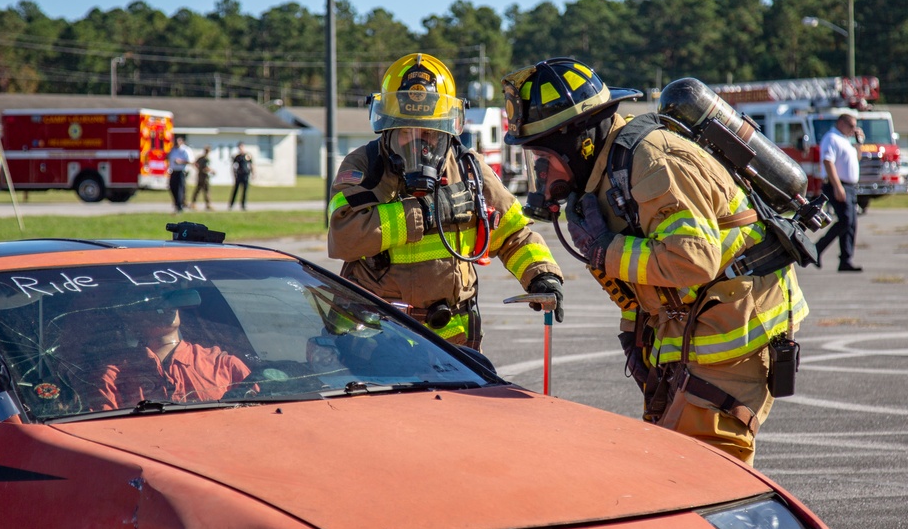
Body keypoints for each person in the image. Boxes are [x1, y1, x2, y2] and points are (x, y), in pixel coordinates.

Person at [502, 57, 809, 465]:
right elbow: (646, 272)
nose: (539, 173)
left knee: (709, 472)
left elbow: (693, 259)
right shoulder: (608, 177)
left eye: (543, 158)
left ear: (577, 142)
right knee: (670, 462)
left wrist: (605, 250)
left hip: (735, 335)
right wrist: (636, 331)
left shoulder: (650, 160)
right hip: (692, 332)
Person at [327, 53, 564, 350]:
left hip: (451, 336)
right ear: (387, 127)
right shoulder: (366, 165)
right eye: (406, 131)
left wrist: (541, 275)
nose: (419, 142)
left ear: (447, 130)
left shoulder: (469, 169)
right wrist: (426, 213)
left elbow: (514, 233)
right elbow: (343, 236)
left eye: (429, 132)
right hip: (375, 334)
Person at [93, 297, 251, 410]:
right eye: (152, 296)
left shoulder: (224, 365)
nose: (166, 302)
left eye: (170, 294)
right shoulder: (114, 376)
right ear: (129, 315)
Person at [815, 113, 864, 271]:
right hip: (837, 185)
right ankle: (817, 249)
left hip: (849, 186)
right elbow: (828, 162)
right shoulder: (831, 138)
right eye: (851, 126)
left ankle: (846, 260)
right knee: (846, 220)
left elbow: (856, 159)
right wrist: (837, 187)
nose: (854, 129)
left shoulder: (846, 140)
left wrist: (859, 143)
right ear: (841, 123)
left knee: (851, 223)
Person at [167, 136, 195, 213]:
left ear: (182, 141)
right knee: (172, 187)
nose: (176, 143)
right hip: (173, 171)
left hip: (181, 171)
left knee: (180, 189)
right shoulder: (173, 150)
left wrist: (181, 161)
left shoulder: (186, 150)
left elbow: (191, 161)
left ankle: (180, 206)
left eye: (178, 141)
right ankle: (176, 203)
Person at [230, 142, 253, 210]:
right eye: (239, 147)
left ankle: (243, 205)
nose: (241, 148)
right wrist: (234, 174)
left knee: (245, 191)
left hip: (245, 175)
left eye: (242, 147)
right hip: (239, 175)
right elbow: (234, 166)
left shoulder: (247, 155)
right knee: (235, 190)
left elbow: (251, 164)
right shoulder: (237, 157)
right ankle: (231, 204)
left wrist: (253, 173)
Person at [191, 145, 215, 211]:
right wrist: (212, 171)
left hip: (200, 175)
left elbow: (195, 163)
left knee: (198, 190)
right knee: (206, 190)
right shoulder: (206, 159)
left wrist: (198, 169)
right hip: (205, 176)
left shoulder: (200, 158)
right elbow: (206, 167)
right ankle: (208, 204)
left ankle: (193, 203)